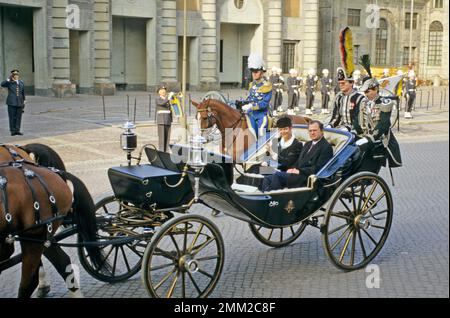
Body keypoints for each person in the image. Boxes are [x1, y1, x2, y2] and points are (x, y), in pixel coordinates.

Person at [358, 55, 403, 173]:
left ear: (376, 89)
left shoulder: (385, 102)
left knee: (362, 150)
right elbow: (358, 121)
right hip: (365, 136)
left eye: (368, 91)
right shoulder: (364, 102)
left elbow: (383, 124)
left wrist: (370, 137)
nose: (366, 94)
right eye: (365, 92)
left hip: (380, 139)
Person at [261, 120, 333, 191]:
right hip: (298, 174)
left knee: (276, 176)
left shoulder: (326, 147)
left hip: (308, 177)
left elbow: (320, 168)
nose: (312, 133)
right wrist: (293, 169)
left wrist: (299, 171)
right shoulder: (308, 144)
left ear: (322, 131)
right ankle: (265, 197)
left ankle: (273, 198)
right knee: (268, 175)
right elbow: (299, 161)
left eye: (315, 130)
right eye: (310, 131)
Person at [236, 53, 272, 139]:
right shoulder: (251, 85)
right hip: (250, 114)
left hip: (261, 115)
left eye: (256, 71)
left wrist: (251, 106)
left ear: (262, 72)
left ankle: (266, 150)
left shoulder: (267, 85)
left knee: (261, 134)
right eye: (252, 71)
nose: (254, 74)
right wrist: (243, 104)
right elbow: (250, 98)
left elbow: (264, 104)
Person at [1, 69, 26, 136]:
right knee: (12, 117)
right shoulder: (9, 83)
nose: (16, 76)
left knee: (18, 117)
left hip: (20, 102)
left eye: (17, 74)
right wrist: (8, 79)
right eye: (14, 75)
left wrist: (24, 100)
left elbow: (23, 92)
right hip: (11, 102)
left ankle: (17, 130)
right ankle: (13, 131)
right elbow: (2, 84)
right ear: (12, 75)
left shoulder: (21, 82)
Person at [155, 85, 173, 152]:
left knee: (167, 137)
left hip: (168, 119)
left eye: (164, 90)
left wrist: (171, 119)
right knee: (162, 138)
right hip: (161, 120)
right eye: (162, 90)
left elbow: (171, 109)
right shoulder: (158, 99)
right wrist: (168, 98)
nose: (163, 91)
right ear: (159, 92)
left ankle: (166, 151)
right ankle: (161, 151)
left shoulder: (168, 99)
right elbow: (162, 103)